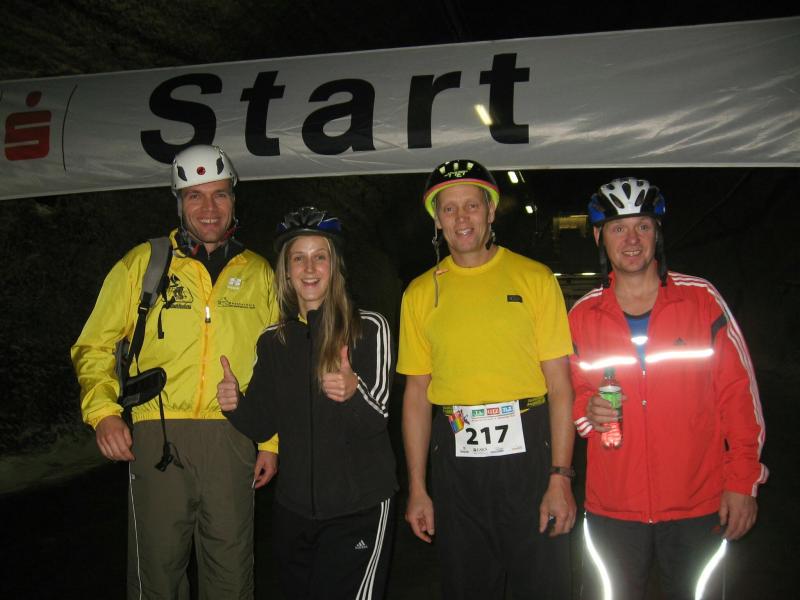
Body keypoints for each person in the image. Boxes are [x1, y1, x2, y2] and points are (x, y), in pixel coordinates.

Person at [71, 144, 279, 599]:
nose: (209, 208)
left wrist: (269, 441)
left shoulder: (260, 272)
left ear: (234, 198)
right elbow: (93, 344)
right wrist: (104, 413)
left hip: (234, 435)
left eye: (219, 194)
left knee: (232, 573)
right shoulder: (143, 264)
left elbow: (273, 365)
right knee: (157, 574)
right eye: (194, 196)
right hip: (157, 435)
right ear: (179, 203)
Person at [569, 177, 768, 600]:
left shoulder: (701, 301)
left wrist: (742, 483)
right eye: (618, 228)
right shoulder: (582, 316)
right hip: (614, 508)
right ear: (599, 237)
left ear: (657, 232)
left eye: (642, 226)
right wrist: (588, 410)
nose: (632, 239)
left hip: (698, 503)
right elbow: (573, 400)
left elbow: (739, 396)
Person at [397, 159, 577, 600]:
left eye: (472, 206)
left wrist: (561, 477)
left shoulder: (535, 279)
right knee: (467, 586)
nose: (462, 218)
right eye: (449, 208)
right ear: (437, 220)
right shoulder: (419, 293)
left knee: (542, 586)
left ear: (491, 211)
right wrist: (418, 488)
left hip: (529, 451)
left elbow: (560, 387)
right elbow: (417, 395)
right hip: (455, 456)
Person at [217, 206, 397, 600]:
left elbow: (377, 420)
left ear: (336, 267)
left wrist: (352, 393)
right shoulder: (273, 339)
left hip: (358, 510)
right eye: (298, 258)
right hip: (293, 513)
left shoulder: (369, 328)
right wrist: (234, 405)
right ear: (286, 270)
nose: (309, 268)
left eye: (320, 257)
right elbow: (262, 424)